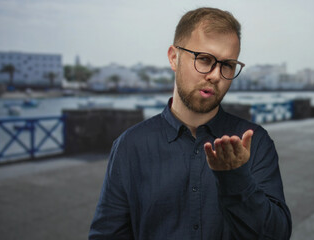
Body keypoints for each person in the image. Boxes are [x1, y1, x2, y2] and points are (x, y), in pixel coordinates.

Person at [89, 7, 291, 240]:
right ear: (174, 58)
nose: (216, 75)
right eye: (204, 59)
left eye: (227, 65)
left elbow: (277, 235)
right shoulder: (130, 145)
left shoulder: (255, 140)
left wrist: (237, 179)